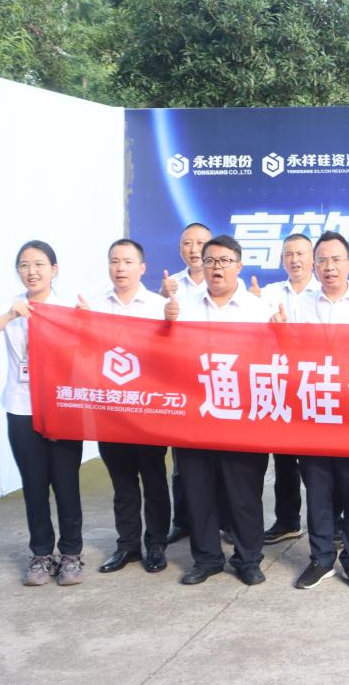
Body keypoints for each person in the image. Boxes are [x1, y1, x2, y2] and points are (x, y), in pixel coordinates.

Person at [0, 240, 82, 586]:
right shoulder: (11, 306)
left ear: (54, 269)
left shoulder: (69, 307)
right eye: (24, 265)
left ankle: (71, 554)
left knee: (66, 484)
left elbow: (91, 355)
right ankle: (41, 554)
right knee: (34, 484)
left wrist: (87, 320)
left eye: (39, 264)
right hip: (22, 408)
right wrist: (9, 316)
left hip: (62, 407)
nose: (32, 271)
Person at [165, 235, 274, 586]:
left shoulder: (259, 310)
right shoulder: (183, 307)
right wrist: (166, 324)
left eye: (225, 261)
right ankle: (207, 558)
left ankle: (248, 559)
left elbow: (273, 361)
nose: (217, 268)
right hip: (194, 415)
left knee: (244, 494)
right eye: (210, 261)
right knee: (199, 491)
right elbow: (162, 356)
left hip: (243, 417)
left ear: (238, 266)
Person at [291, 231, 349, 591]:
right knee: (318, 490)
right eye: (322, 260)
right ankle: (321, 558)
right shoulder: (299, 306)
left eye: (336, 259)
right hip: (313, 410)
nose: (329, 267)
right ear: (314, 266)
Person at [77, 239, 170, 575]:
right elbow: (84, 352)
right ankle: (128, 545)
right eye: (114, 261)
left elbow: (172, 356)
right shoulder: (95, 305)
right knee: (122, 483)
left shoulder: (159, 306)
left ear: (142, 268)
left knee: (154, 480)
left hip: (148, 410)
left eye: (128, 262)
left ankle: (156, 543)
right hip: (111, 409)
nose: (120, 268)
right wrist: (81, 325)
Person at [255, 233, 320, 547]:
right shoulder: (267, 294)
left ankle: (327, 524)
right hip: (279, 385)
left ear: (313, 259)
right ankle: (287, 521)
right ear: (281, 260)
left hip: (316, 386)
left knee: (317, 461)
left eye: (301, 254)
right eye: (289, 254)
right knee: (283, 459)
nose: (295, 260)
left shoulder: (323, 293)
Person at [159, 222, 212, 545]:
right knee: (183, 460)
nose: (194, 249)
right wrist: (162, 300)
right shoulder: (171, 285)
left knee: (221, 459)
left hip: (218, 379)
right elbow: (156, 332)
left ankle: (223, 520)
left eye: (201, 243)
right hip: (183, 382)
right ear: (180, 249)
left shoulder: (225, 280)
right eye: (188, 243)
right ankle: (183, 521)